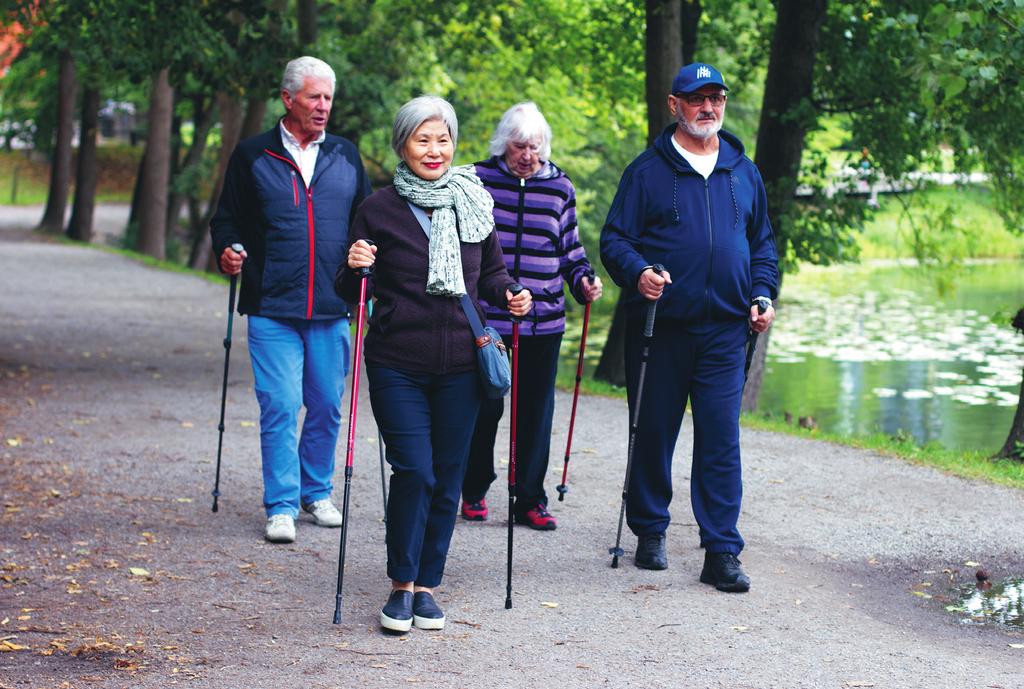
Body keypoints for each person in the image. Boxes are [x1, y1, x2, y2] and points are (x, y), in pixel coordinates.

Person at [336, 96, 531, 633]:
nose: (434, 149)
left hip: (463, 365)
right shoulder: (377, 209)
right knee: (415, 470)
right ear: (402, 145)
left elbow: (490, 275)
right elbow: (348, 289)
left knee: (447, 477)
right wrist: (355, 267)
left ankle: (427, 584)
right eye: (422, 139)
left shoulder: (474, 201)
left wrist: (513, 292)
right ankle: (400, 583)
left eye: (442, 139)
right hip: (398, 360)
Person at [600, 62, 779, 592]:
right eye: (697, 99)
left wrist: (762, 293)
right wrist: (639, 273)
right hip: (663, 327)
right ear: (674, 105)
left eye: (717, 98)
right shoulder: (646, 172)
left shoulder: (743, 172)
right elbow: (614, 241)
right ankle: (650, 530)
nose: (709, 108)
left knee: (722, 439)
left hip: (726, 329)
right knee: (654, 431)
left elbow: (763, 244)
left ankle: (721, 549)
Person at [210, 56, 372, 544]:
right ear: (288, 99)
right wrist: (229, 250)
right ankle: (281, 504)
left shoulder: (345, 155)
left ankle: (316, 491)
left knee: (325, 405)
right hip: (271, 305)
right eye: (314, 97)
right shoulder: (252, 155)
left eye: (328, 98)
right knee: (280, 404)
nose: (323, 107)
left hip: (331, 305)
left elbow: (367, 220)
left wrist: (370, 260)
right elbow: (226, 220)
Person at [460, 102, 602, 530]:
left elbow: (570, 251)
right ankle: (474, 487)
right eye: (520, 146)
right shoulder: (477, 181)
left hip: (543, 322)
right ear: (504, 144)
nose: (528, 155)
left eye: (535, 147)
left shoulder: (560, 188)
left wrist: (584, 282)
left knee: (535, 415)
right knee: (483, 409)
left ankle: (529, 501)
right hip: (489, 320)